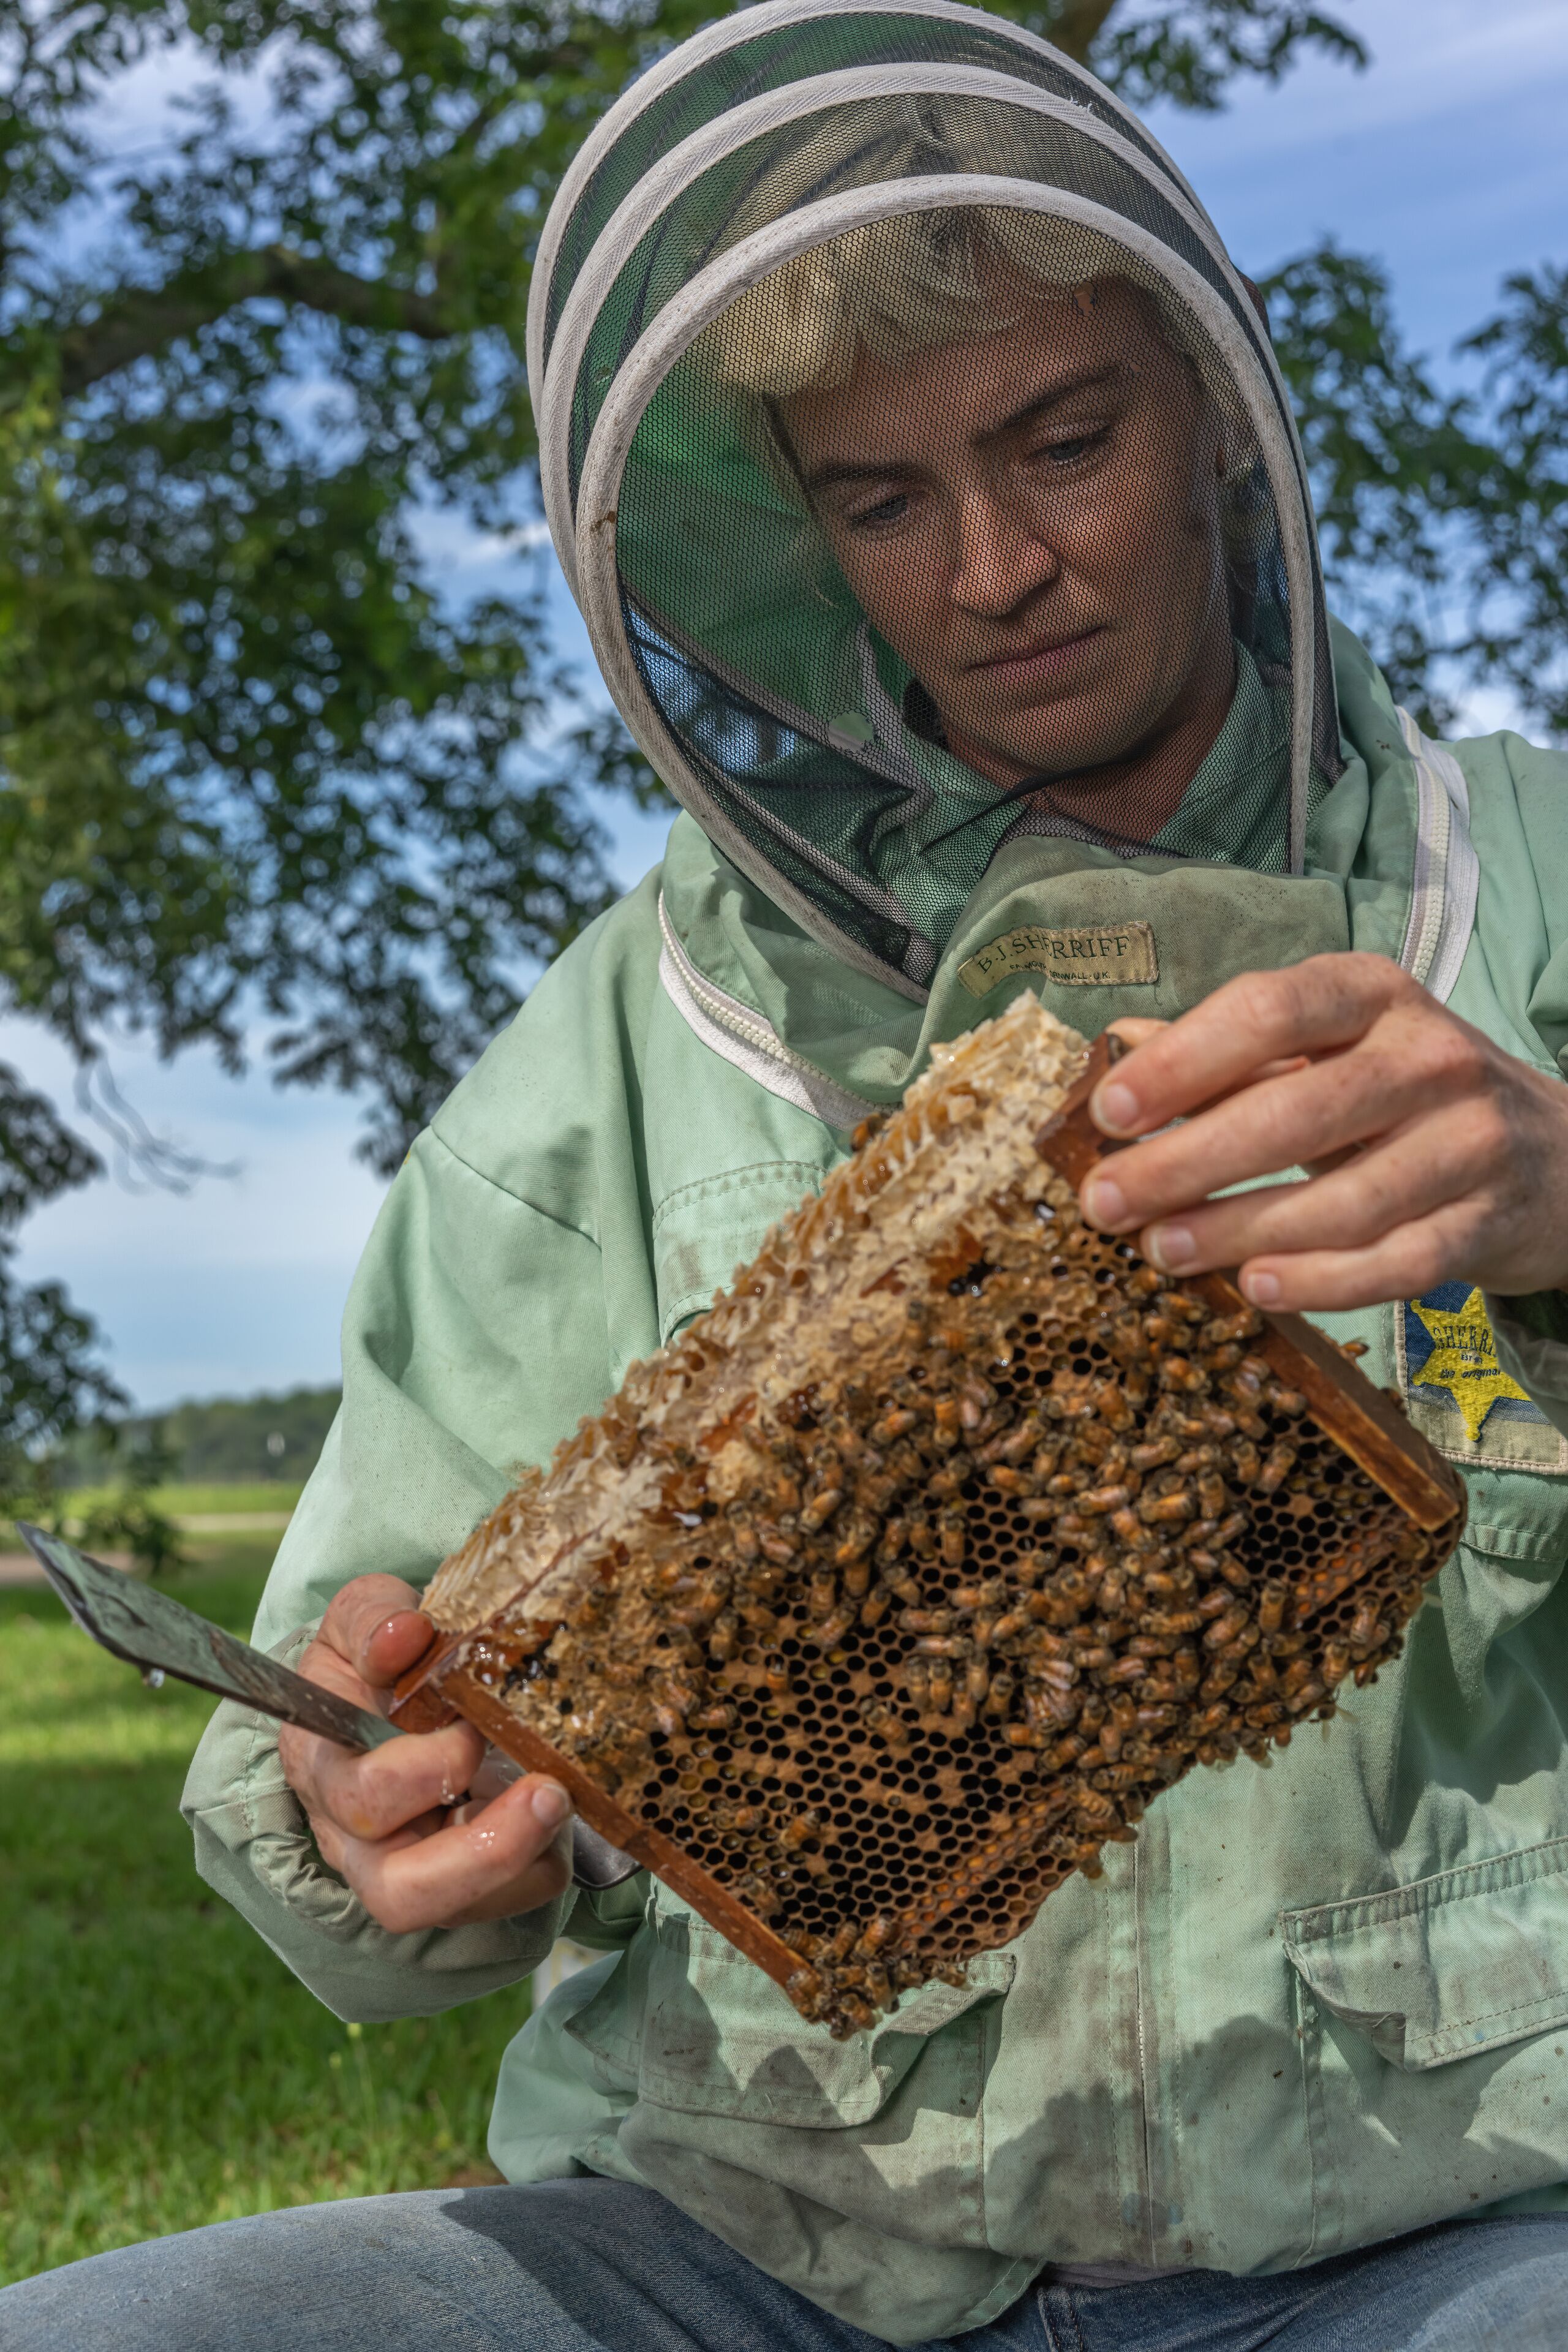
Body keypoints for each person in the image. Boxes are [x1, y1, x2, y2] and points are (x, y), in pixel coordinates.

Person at [11, 7, 1568, 2346]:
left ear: (1224, 425)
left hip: (1443, 2219)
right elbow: (344, 1709)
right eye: (883, 498)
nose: (1001, 565)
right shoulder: (615, 1050)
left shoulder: (1525, 881)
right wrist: (364, 1805)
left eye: (1068, 439)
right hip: (746, 2245)